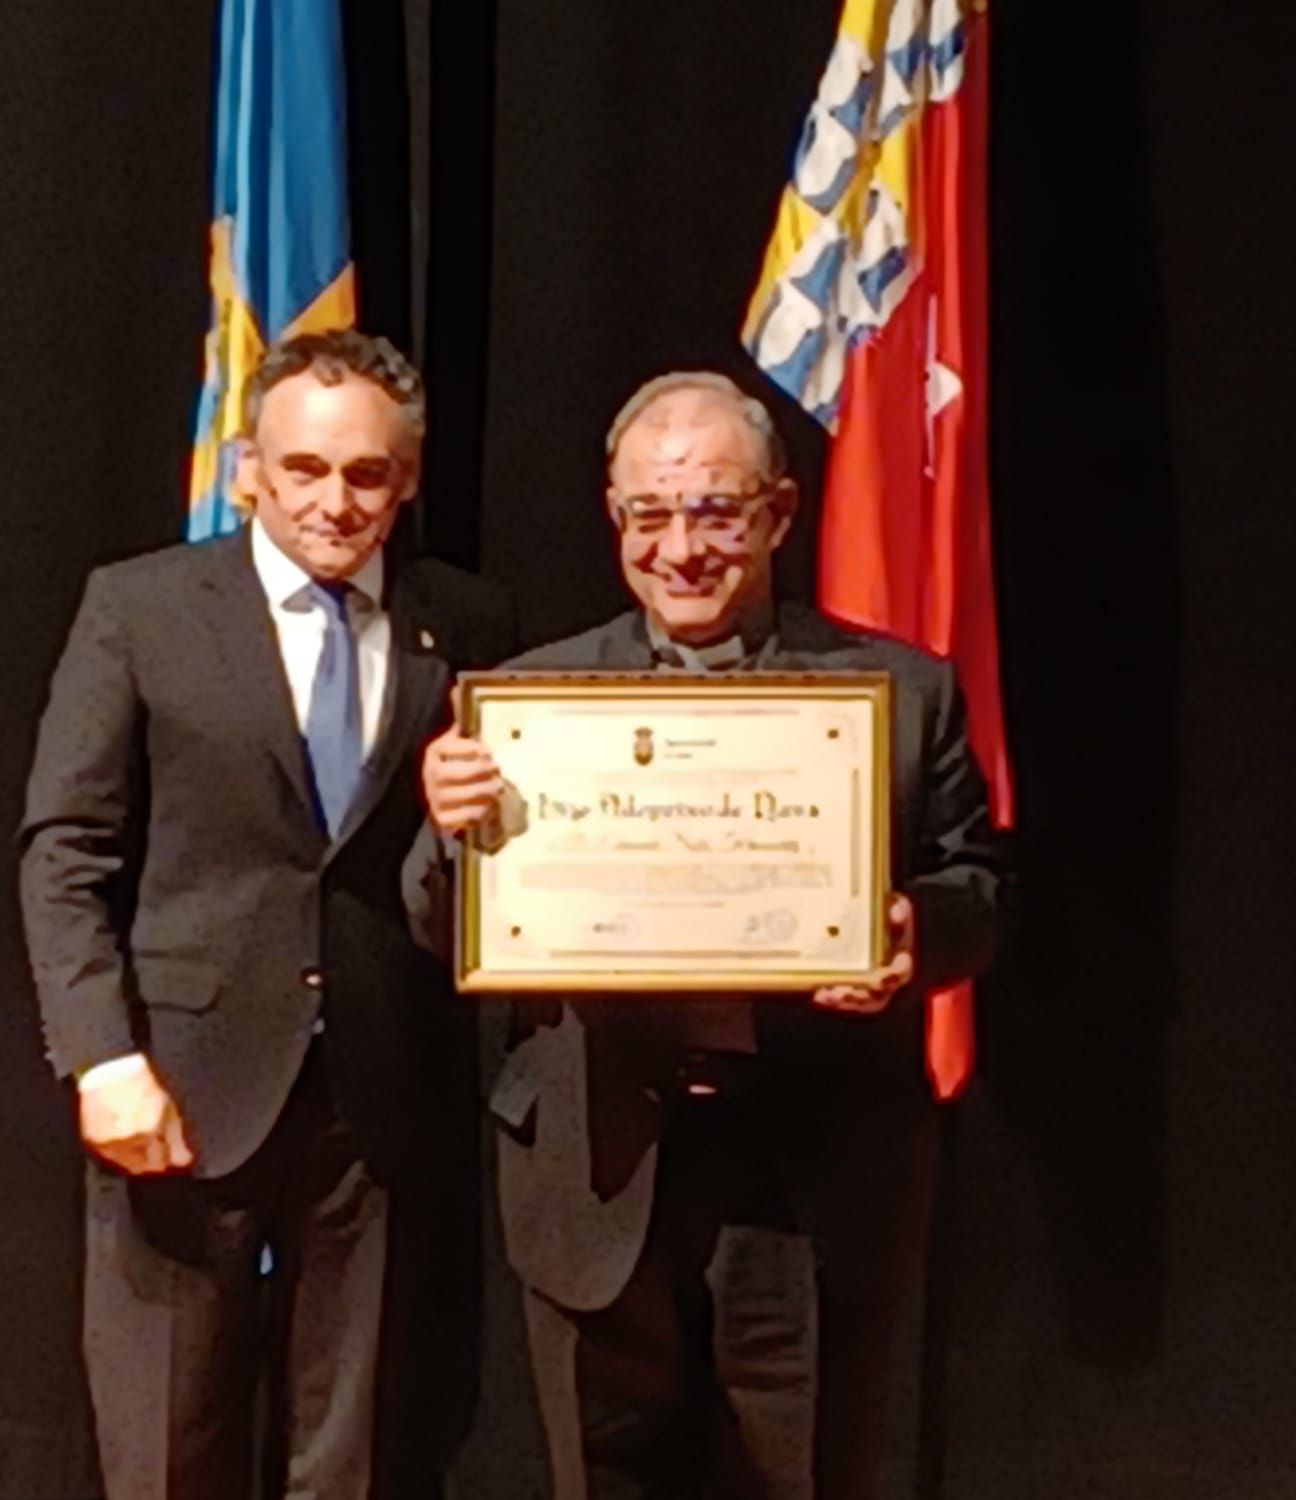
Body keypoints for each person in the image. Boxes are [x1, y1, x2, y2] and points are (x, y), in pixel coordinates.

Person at [412, 371, 1009, 1498]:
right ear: (613, 514)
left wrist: (909, 934)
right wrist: (447, 834)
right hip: (594, 1170)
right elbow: (437, 923)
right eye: (650, 512)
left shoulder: (895, 692)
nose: (679, 546)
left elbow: (979, 888)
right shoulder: (527, 702)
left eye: (714, 512)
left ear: (778, 514)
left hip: (810, 1176)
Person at [19, 330, 509, 1500]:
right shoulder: (138, 608)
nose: (332, 502)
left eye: (365, 476)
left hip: (384, 1098)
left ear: (405, 480)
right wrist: (98, 1055)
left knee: (353, 1458)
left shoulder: (469, 623)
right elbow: (65, 848)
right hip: (181, 1086)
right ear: (248, 468)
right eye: (303, 469)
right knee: (166, 1451)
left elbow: (481, 862)